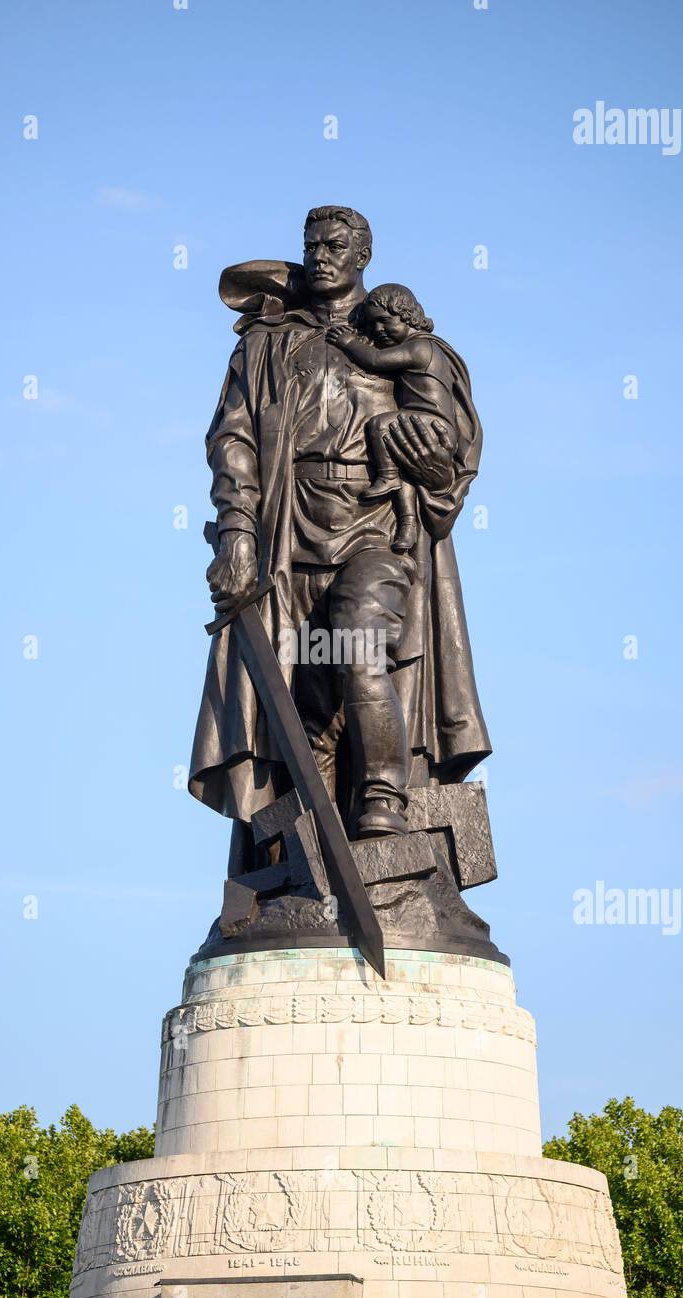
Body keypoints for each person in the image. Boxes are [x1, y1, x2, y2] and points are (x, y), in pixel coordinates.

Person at [190, 206, 491, 863]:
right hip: (288, 535)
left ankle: (384, 800)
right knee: (304, 703)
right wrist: (237, 529)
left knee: (359, 645)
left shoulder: (392, 333)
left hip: (375, 524)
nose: (320, 256)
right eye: (312, 246)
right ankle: (312, 858)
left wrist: (431, 455)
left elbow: (450, 448)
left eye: (334, 245)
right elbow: (233, 440)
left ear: (363, 255)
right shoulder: (267, 342)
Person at [326, 282, 457, 555]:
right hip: (420, 421)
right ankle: (407, 524)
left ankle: (386, 477)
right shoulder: (420, 346)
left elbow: (375, 360)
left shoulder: (421, 348)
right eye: (373, 325)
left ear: (407, 315)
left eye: (385, 322)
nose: (378, 331)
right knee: (406, 468)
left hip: (431, 423)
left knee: (379, 424)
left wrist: (348, 342)